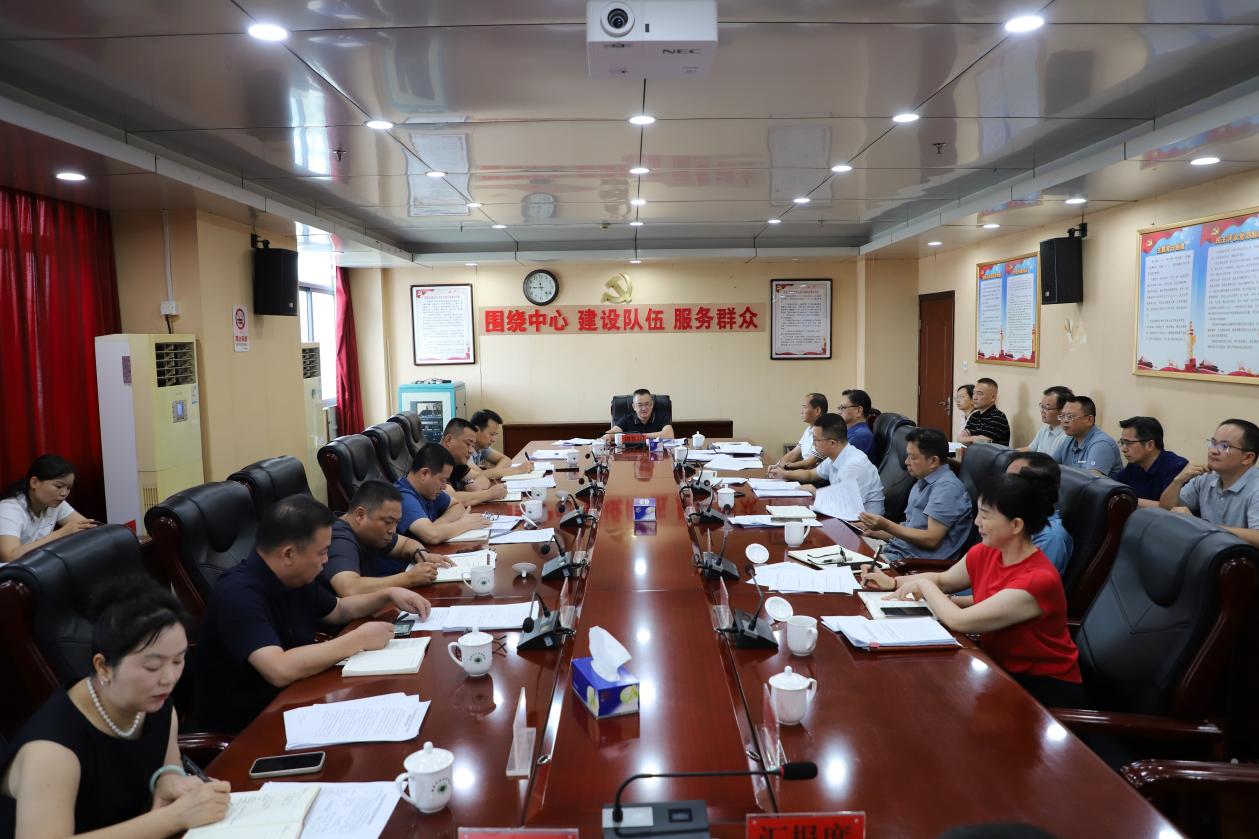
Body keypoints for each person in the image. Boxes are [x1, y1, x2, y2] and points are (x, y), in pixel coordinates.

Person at [0, 577, 231, 836]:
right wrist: (175, 817)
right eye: (152, 666)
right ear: (103, 667)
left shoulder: (156, 703)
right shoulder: (51, 750)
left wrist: (169, 779)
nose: (169, 678)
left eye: (178, 660)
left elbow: (169, 764)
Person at [196, 495, 431, 733]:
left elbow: (338, 609)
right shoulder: (237, 594)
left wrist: (387, 595)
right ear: (288, 554)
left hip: (297, 699)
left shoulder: (294, 576)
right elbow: (279, 669)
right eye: (322, 552)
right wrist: (358, 639)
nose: (326, 560)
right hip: (249, 728)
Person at [860, 473, 1084, 708]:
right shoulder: (987, 550)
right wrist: (894, 583)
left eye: (985, 516)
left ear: (1016, 525)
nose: (977, 522)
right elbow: (943, 580)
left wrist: (924, 586)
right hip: (997, 668)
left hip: (1043, 690)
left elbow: (959, 621)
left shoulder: (1037, 580)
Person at [320, 480, 454, 597]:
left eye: (396, 522)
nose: (393, 530)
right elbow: (350, 589)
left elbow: (406, 544)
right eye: (388, 522)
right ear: (360, 515)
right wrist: (409, 578)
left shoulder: (371, 531)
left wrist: (421, 555)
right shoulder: (338, 537)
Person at [857, 428, 972, 561]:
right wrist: (874, 531)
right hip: (897, 551)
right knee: (846, 546)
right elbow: (910, 530)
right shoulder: (922, 482)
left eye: (912, 457)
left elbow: (931, 539)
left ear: (933, 461)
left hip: (914, 562)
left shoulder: (947, 489)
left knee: (848, 563)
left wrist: (886, 525)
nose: (906, 462)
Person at [1160, 419, 1259, 548]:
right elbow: (1166, 509)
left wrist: (1201, 526)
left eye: (1224, 446)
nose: (1213, 451)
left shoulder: (1256, 487)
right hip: (1208, 551)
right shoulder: (1207, 476)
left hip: (1240, 558)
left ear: (1247, 458)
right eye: (1213, 443)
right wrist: (1178, 481)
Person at [773, 413, 885, 514]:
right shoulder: (836, 456)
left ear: (832, 443)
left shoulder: (854, 466)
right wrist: (784, 474)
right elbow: (810, 474)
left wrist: (816, 492)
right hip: (843, 514)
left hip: (862, 525)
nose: (813, 444)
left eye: (816, 440)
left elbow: (848, 509)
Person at [0, 454, 97, 563]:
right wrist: (62, 533)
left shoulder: (55, 502)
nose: (64, 493)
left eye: (68, 488)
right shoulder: (9, 509)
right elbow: (9, 557)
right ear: (34, 482)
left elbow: (87, 528)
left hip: (38, 566)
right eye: (58, 486)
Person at [395, 443, 483, 544]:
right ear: (424, 473)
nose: (444, 487)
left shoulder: (427, 490)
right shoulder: (403, 497)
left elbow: (457, 505)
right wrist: (465, 524)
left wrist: (438, 524)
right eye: (442, 480)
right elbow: (432, 536)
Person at [1006, 452, 1074, 575]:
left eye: (1010, 480)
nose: (1002, 485)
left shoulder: (1050, 538)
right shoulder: (1014, 518)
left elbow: (1023, 584)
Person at [1113, 416, 1188, 507]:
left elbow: (1169, 508)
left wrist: (1128, 498)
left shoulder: (1177, 467)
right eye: (1122, 442)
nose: (1123, 449)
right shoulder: (1134, 464)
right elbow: (1115, 488)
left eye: (1128, 443)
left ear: (1150, 445)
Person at [1050, 396, 1122, 478]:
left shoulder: (1101, 444)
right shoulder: (1069, 440)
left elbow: (1091, 481)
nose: (1065, 421)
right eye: (1062, 416)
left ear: (1089, 420)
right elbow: (1048, 466)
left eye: (1070, 416)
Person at [441, 418, 508, 506]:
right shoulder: (434, 460)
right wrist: (489, 494)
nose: (471, 451)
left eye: (472, 445)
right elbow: (450, 499)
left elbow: (481, 477)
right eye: (468, 444)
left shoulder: (455, 460)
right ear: (449, 440)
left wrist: (471, 484)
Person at [468, 409, 531, 480]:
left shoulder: (481, 447)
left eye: (495, 435)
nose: (494, 440)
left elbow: (506, 460)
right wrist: (518, 469)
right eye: (491, 434)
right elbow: (478, 475)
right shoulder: (464, 449)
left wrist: (495, 473)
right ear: (476, 430)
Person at [773, 393, 827, 471]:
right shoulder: (809, 429)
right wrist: (777, 466)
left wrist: (785, 466)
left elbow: (809, 463)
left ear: (817, 410)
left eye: (805, 407)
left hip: (813, 475)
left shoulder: (825, 431)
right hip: (804, 472)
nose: (801, 412)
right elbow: (793, 454)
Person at [1020, 386, 1073, 454]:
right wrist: (1010, 453)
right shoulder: (1045, 427)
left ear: (1062, 410)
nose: (1042, 411)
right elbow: (1031, 449)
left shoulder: (1068, 436)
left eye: (1047, 408)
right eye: (1042, 406)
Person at [958, 378, 1010, 446]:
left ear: (993, 397)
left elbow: (984, 442)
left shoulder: (998, 417)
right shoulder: (974, 416)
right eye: (974, 393)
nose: (974, 397)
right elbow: (960, 439)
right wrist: (974, 439)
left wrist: (970, 439)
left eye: (979, 394)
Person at [606, 388, 675, 439]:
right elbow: (611, 433)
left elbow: (669, 435)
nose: (644, 408)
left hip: (656, 454)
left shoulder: (661, 418)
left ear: (652, 405)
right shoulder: (627, 419)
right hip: (631, 454)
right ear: (634, 407)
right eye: (640, 405)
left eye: (647, 404)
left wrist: (641, 436)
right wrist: (607, 436)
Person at [837, 389, 876, 458]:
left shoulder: (860, 436)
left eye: (843, 408)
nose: (839, 412)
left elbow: (836, 460)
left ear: (858, 411)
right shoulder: (852, 431)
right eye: (839, 408)